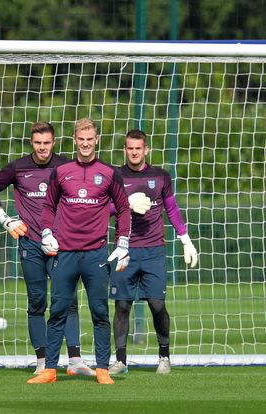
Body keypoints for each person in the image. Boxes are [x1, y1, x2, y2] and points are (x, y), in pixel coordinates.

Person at [0, 121, 94, 377]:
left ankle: (75, 360)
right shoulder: (18, 167)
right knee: (37, 302)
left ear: (53, 142)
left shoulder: (66, 166)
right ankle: (43, 361)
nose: (42, 148)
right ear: (31, 142)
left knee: (68, 301)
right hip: (30, 244)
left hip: (62, 245)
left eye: (46, 143)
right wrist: (5, 219)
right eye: (37, 143)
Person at [28, 118, 132, 385]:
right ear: (74, 140)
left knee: (99, 312)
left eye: (90, 139)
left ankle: (102, 370)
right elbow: (49, 206)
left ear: (96, 140)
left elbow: (123, 209)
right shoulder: (61, 171)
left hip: (96, 254)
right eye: (81, 139)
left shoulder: (109, 173)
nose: (85, 144)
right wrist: (47, 232)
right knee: (58, 309)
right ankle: (49, 370)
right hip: (65, 254)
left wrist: (123, 243)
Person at [108, 129, 198, 375]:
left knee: (157, 305)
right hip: (124, 249)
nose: (134, 152)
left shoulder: (160, 177)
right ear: (124, 149)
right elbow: (103, 209)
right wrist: (125, 204)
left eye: (138, 148)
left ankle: (164, 357)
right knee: (122, 306)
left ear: (146, 149)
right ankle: (120, 361)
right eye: (129, 148)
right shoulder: (114, 175)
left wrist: (185, 240)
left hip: (154, 251)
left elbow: (172, 209)